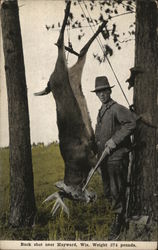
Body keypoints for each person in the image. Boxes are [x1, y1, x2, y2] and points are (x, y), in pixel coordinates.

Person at [91, 76, 137, 240]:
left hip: (117, 158)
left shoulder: (117, 108)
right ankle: (118, 215)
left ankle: (119, 222)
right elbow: (98, 137)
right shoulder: (102, 111)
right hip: (104, 159)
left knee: (117, 190)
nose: (102, 94)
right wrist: (96, 155)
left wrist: (115, 140)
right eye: (98, 92)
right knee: (108, 190)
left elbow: (131, 123)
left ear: (109, 91)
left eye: (104, 91)